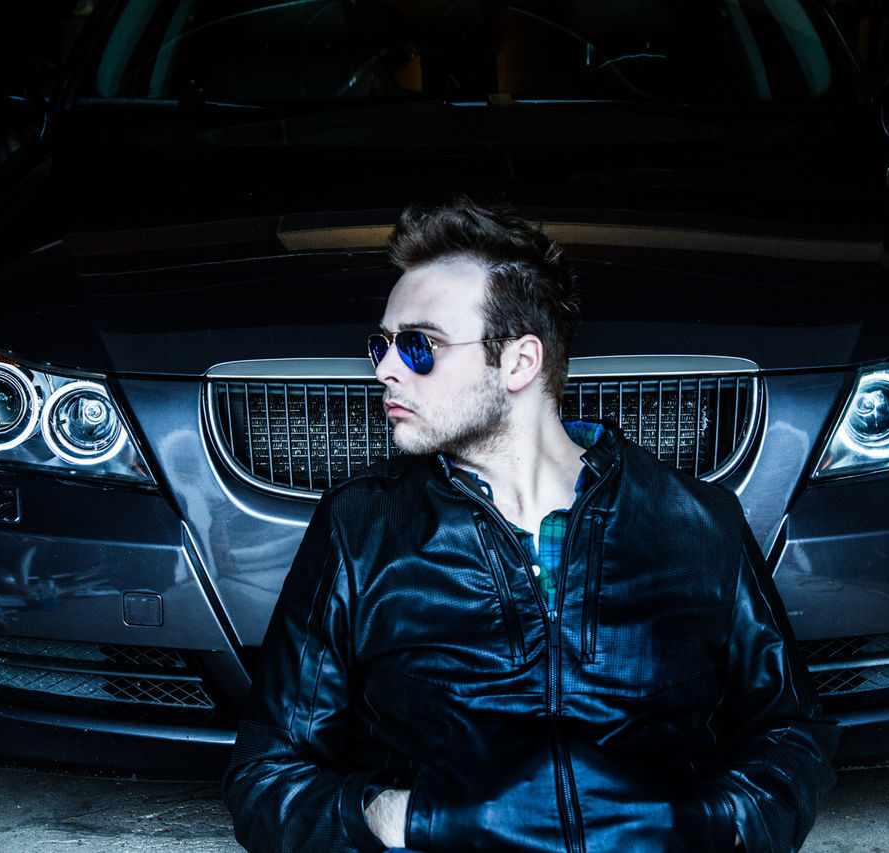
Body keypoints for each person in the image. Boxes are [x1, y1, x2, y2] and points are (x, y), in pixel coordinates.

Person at [223, 199, 838, 853]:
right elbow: (267, 775)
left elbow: (792, 734)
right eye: (382, 343)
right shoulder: (360, 528)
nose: (385, 367)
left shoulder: (694, 522)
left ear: (518, 363)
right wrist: (405, 818)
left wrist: (709, 822)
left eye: (419, 346)